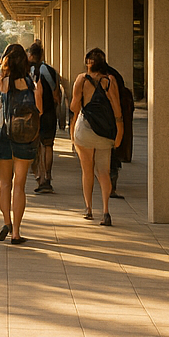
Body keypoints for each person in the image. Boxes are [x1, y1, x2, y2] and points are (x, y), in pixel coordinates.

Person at [0, 43, 44, 245]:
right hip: (25, 138)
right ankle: (17, 233)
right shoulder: (34, 82)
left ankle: (6, 222)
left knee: (4, 182)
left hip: (4, 135)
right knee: (19, 185)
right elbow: (40, 112)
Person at [70, 48, 124, 225]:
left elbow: (73, 107)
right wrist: (119, 129)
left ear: (87, 62)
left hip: (85, 130)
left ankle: (88, 208)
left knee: (87, 170)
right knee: (103, 172)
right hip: (105, 132)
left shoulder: (81, 79)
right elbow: (117, 108)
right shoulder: (110, 81)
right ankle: (106, 211)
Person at [27, 41, 63, 194]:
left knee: (37, 146)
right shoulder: (50, 70)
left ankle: (40, 177)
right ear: (42, 55)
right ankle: (48, 176)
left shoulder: (26, 70)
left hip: (33, 113)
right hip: (49, 112)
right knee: (48, 145)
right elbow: (56, 93)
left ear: (31, 55)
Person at [101, 59, 134, 199]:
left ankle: (111, 184)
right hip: (112, 120)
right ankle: (111, 183)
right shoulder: (113, 74)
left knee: (111, 153)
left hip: (110, 120)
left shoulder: (108, 78)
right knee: (112, 152)